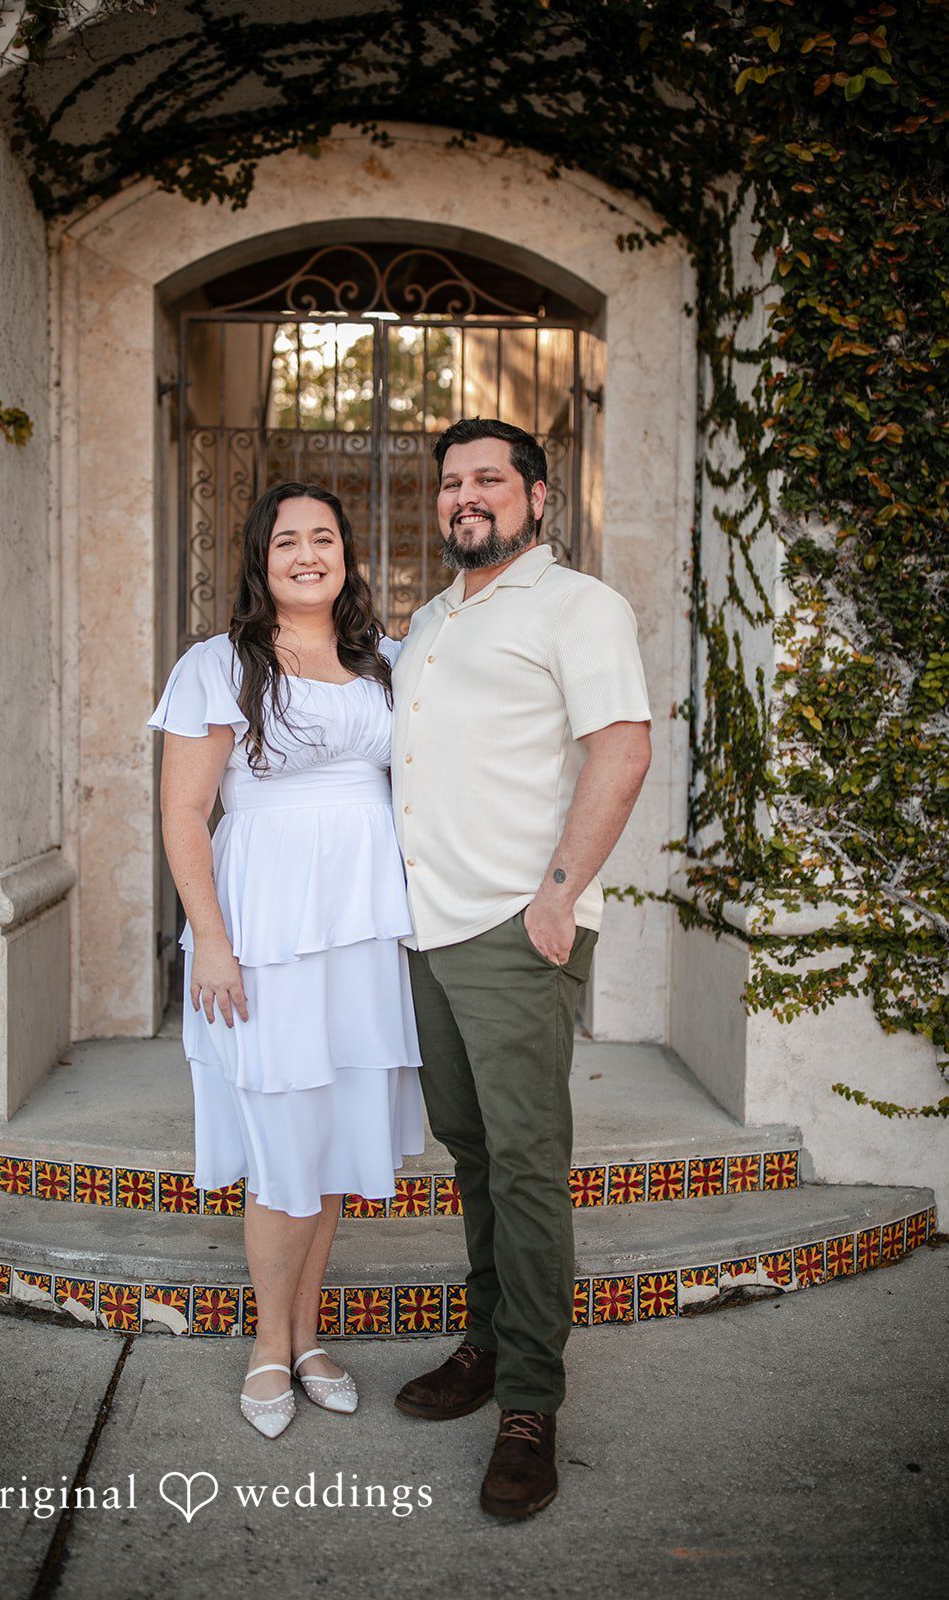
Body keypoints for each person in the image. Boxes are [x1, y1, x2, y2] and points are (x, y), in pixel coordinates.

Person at [390, 418, 652, 1519]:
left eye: (488, 479)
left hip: (512, 924)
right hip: (425, 929)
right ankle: (488, 1343)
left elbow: (623, 744)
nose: (465, 497)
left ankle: (530, 1405)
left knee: (528, 1161)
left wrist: (557, 892)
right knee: (473, 1151)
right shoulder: (429, 618)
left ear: (536, 496)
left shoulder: (578, 606)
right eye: (451, 482)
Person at [148, 481, 423, 1439]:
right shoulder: (220, 664)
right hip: (263, 927)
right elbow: (185, 812)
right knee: (279, 1138)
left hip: (363, 928)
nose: (307, 554)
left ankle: (309, 1340)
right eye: (285, 541)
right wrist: (212, 943)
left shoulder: (386, 660)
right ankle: (270, 1345)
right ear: (260, 562)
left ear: (346, 553)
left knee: (336, 1130)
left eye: (323, 538)